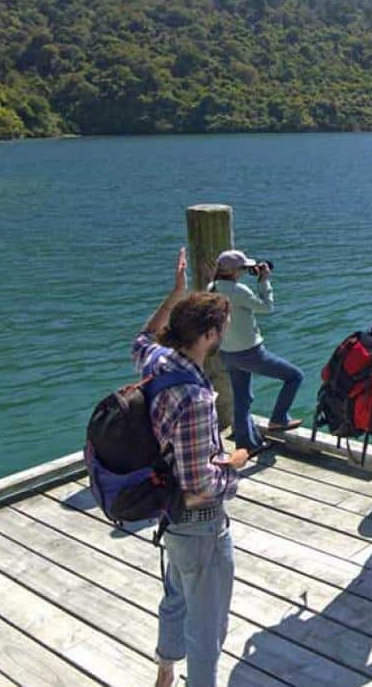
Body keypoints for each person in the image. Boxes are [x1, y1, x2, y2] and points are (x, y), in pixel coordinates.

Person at [135, 248, 251, 687]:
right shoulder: (197, 399)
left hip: (168, 517)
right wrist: (236, 464)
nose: (224, 333)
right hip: (200, 525)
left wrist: (176, 293)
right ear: (207, 335)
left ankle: (165, 673)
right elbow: (200, 483)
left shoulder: (156, 361)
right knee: (207, 630)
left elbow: (143, 337)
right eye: (220, 328)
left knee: (175, 599)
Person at [210, 250, 304, 455]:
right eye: (243, 268)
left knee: (242, 400)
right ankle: (279, 418)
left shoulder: (212, 288)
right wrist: (264, 281)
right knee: (294, 376)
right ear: (236, 271)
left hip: (227, 353)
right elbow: (267, 307)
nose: (245, 271)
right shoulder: (239, 290)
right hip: (250, 353)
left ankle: (247, 445)